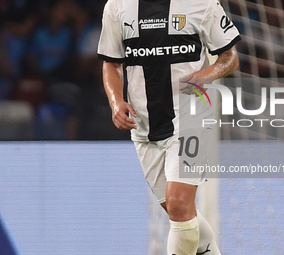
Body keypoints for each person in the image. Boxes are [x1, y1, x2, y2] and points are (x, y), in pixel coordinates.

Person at [98, 0, 241, 254]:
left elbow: (229, 57)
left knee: (178, 203)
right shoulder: (117, 6)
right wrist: (116, 101)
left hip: (191, 119)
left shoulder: (202, 3)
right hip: (145, 127)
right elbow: (112, 62)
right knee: (183, 214)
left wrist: (207, 75)